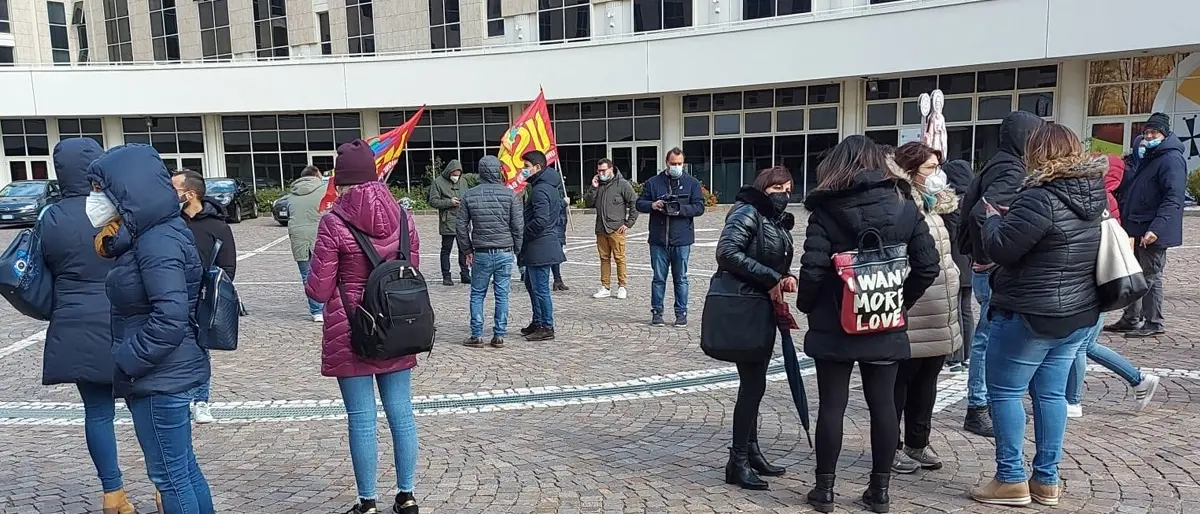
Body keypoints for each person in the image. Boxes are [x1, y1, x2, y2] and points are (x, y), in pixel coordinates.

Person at [796, 135, 940, 514]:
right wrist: (897, 301)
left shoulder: (826, 211)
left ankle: (824, 490)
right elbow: (928, 266)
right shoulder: (903, 204)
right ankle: (880, 491)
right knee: (884, 406)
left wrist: (809, 305)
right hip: (885, 318)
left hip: (835, 319)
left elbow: (811, 268)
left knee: (832, 405)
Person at [970, 124, 1106, 507]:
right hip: (1078, 312)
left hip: (1031, 312)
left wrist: (993, 217)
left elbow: (1002, 249)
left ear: (1037, 153)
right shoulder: (1095, 195)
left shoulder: (1038, 197)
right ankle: (1047, 479)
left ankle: (1011, 478)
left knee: (1005, 392)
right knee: (1050, 395)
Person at [88, 143, 213, 514]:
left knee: (171, 476)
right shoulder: (149, 233)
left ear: (126, 191)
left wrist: (128, 359)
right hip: (163, 372)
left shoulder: (157, 241)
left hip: (160, 375)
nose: (94, 199)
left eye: (100, 189)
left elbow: (170, 316)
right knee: (183, 469)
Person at [304, 140, 421, 514]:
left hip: (352, 329)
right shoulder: (404, 217)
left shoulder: (333, 222)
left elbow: (319, 290)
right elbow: (413, 270)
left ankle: (367, 502)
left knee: (362, 418)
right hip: (399, 327)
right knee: (401, 412)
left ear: (341, 181)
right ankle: (406, 496)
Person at [39, 138, 138, 514]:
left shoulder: (50, 216)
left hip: (75, 322)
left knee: (97, 414)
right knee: (147, 407)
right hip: (124, 320)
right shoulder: (117, 209)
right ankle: (165, 486)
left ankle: (112, 494)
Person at [956, 110, 1045, 438]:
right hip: (993, 268)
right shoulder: (1011, 168)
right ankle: (979, 405)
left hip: (987, 266)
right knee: (988, 337)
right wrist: (987, 258)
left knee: (992, 335)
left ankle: (988, 401)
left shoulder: (999, 162)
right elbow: (984, 213)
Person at [708, 167, 796, 491]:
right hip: (743, 307)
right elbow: (727, 253)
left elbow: (776, 261)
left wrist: (786, 276)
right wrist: (770, 277)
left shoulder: (775, 221)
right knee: (753, 384)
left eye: (788, 187)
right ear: (763, 187)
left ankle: (752, 452)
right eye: (777, 187)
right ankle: (738, 461)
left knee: (755, 384)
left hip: (762, 307)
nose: (784, 193)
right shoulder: (748, 212)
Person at [887, 143, 963, 475]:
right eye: (930, 169)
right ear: (909, 170)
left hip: (940, 307)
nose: (937, 175)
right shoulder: (899, 204)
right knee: (899, 383)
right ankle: (890, 446)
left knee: (927, 381)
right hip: (913, 307)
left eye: (937, 168)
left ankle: (919, 442)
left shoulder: (936, 205)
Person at [1066, 154, 1160, 417]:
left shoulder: (1096, 201)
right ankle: (1138, 379)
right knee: (1087, 344)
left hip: (1095, 282)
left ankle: (1072, 401)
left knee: (1079, 346)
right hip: (1103, 281)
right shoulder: (1106, 199)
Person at [1106, 112, 1187, 338]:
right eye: (1146, 132)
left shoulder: (1170, 160)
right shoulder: (1149, 157)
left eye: (1154, 132)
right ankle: (1131, 318)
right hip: (1138, 226)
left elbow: (1173, 198)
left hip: (1153, 230)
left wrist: (1156, 229)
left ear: (1164, 133)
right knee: (1134, 274)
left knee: (1151, 276)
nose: (1148, 136)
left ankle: (1154, 322)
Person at [172, 169, 236, 426]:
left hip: (201, 297)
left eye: (174, 189)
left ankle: (200, 400)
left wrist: (211, 290)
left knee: (200, 350)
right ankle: (177, 398)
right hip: (170, 293)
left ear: (190, 194)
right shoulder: (170, 222)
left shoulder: (217, 226)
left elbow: (228, 268)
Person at [456, 155, 523, 348]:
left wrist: (467, 250)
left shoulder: (470, 195)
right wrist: (517, 250)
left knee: (477, 294)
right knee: (502, 294)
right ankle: (499, 334)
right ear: (498, 171)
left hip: (482, 252)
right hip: (504, 251)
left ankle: (476, 334)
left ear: (481, 172)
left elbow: (460, 226)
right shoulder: (510, 195)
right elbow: (518, 226)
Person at [635, 147, 705, 327]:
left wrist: (680, 210)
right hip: (658, 239)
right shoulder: (653, 182)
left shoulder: (692, 183)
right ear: (667, 163)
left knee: (681, 278)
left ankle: (681, 313)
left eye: (680, 164)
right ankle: (657, 312)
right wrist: (653, 204)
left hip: (682, 239)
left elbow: (699, 207)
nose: (676, 166)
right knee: (658, 278)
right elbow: (639, 204)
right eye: (673, 163)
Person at [517, 150, 566, 342]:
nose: (523, 170)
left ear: (537, 167)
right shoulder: (543, 187)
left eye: (526, 167)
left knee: (540, 289)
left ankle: (546, 325)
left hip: (540, 246)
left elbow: (541, 220)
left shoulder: (540, 190)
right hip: (539, 245)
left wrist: (522, 234)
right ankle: (538, 321)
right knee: (532, 285)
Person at [584, 158, 638, 299]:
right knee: (604, 258)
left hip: (616, 228)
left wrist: (628, 223)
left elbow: (634, 203)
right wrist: (593, 187)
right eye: (599, 171)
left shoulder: (622, 184)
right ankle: (605, 286)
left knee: (619, 258)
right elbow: (588, 203)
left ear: (611, 169)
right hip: (601, 228)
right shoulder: (598, 185)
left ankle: (622, 286)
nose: (601, 173)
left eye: (603, 170)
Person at [941, 159, 974, 373]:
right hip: (970, 262)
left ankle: (955, 356)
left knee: (954, 311)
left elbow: (949, 235)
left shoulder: (951, 204)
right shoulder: (973, 201)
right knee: (966, 309)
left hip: (954, 261)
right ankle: (967, 355)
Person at [287, 165, 328, 322]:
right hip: (320, 235)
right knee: (325, 272)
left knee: (306, 275)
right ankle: (325, 308)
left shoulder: (292, 193)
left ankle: (316, 311)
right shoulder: (324, 189)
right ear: (316, 175)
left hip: (297, 236)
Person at [428, 159, 471, 286]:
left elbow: (468, 196)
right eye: (454, 174)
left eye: (458, 174)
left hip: (462, 220)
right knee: (446, 249)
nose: (456, 177)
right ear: (449, 172)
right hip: (447, 221)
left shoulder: (463, 182)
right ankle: (446, 275)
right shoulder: (438, 182)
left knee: (464, 249)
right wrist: (449, 202)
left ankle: (465, 274)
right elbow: (433, 201)